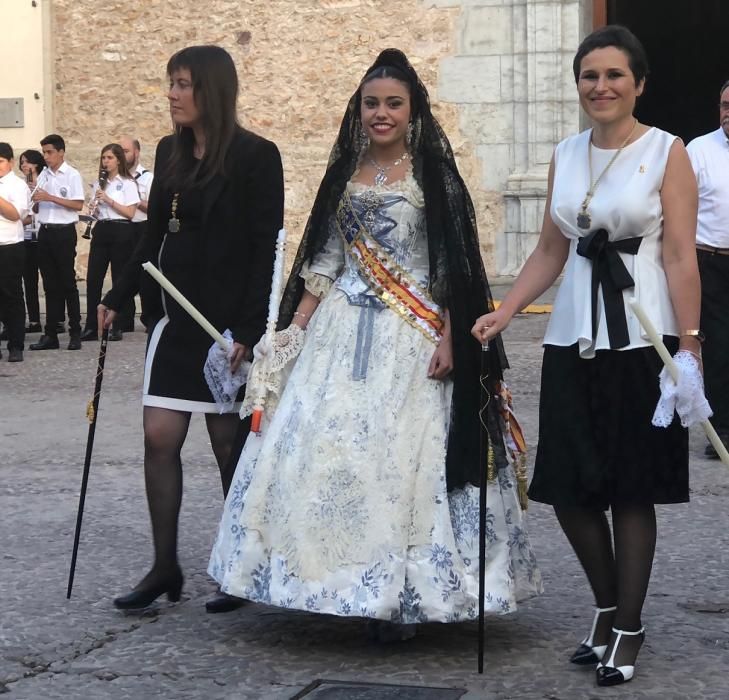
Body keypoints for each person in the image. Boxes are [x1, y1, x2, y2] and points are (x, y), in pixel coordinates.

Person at [209, 49, 541, 638]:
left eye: (393, 103)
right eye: (371, 104)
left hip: (410, 337)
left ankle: (403, 594)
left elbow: (450, 265)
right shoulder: (345, 172)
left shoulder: (432, 175)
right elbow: (328, 259)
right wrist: (296, 328)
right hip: (339, 332)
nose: (380, 114)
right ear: (357, 110)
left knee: (404, 458)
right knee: (328, 449)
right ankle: (331, 584)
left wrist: (449, 336)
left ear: (412, 111)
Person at [472, 26, 704, 687]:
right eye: (588, 76)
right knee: (570, 487)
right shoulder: (565, 153)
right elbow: (550, 248)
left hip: (641, 333)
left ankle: (628, 625)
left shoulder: (666, 151)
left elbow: (680, 253)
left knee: (631, 488)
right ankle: (606, 607)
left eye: (612, 75)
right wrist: (507, 308)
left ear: (638, 83)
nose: (599, 86)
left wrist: (689, 347)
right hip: (572, 334)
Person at [97, 45, 284, 612]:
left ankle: (238, 569)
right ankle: (164, 565)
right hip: (176, 322)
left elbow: (265, 249)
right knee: (159, 437)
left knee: (228, 444)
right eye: (170, 84)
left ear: (211, 90)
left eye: (183, 84)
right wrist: (117, 295)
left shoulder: (258, 156)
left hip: (227, 327)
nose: (172, 94)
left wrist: (250, 329)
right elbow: (151, 236)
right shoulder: (168, 154)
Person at [686, 80, 729, 459]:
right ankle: (723, 432)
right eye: (725, 105)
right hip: (712, 261)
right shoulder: (698, 150)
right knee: (717, 347)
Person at [29, 134, 85, 351]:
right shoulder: (43, 174)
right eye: (44, 152)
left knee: (68, 284)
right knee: (50, 285)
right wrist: (34, 200)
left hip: (63, 232)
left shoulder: (71, 174)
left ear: (61, 152)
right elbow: (36, 205)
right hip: (45, 231)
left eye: (50, 152)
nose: (47, 156)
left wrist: (50, 197)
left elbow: (78, 204)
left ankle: (75, 331)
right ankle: (50, 333)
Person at [80, 143, 139, 341]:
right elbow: (97, 212)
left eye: (110, 158)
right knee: (93, 278)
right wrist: (93, 211)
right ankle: (90, 325)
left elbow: (130, 213)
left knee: (119, 277)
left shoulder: (128, 183)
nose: (106, 161)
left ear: (119, 160)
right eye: (103, 158)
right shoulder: (99, 183)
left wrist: (108, 200)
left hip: (122, 229)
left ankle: (117, 325)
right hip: (103, 228)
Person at [119, 135, 154, 330]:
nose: (122, 155)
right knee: (124, 271)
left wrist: (135, 199)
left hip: (142, 227)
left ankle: (148, 316)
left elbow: (155, 207)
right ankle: (124, 318)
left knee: (145, 274)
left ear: (136, 153)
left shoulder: (148, 178)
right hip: (122, 227)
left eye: (125, 151)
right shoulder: (116, 179)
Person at [0, 143, 31, 362]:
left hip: (10, 245)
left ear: (10, 162)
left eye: (0, 161)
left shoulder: (17, 186)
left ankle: (16, 344)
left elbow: (15, 215)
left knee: (11, 296)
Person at [18, 150, 45, 334]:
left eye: (27, 162)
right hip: (26, 236)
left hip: (43, 235)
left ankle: (57, 319)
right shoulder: (20, 185)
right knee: (29, 281)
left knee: (52, 280)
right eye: (21, 162)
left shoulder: (44, 181)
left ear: (36, 164)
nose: (24, 165)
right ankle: (34, 320)